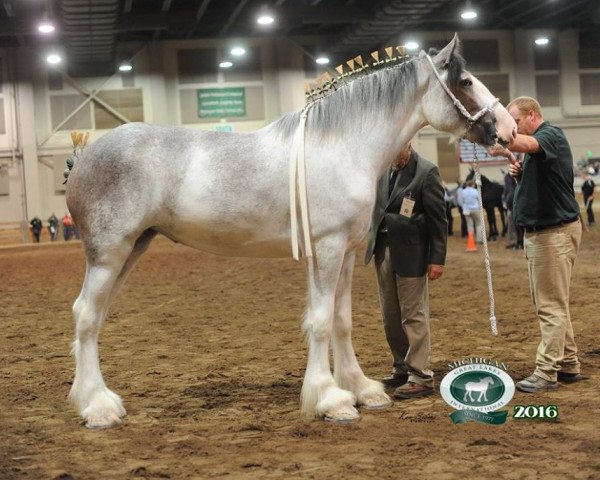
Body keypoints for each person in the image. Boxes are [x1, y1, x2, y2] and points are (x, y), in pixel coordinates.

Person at [489, 96, 583, 393]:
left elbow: (527, 145)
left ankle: (546, 371)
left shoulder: (549, 135)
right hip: (546, 233)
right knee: (554, 302)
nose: (513, 128)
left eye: (515, 122)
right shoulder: (539, 146)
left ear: (532, 115)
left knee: (550, 305)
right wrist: (519, 173)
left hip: (552, 234)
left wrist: (503, 142)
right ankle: (568, 364)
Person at [364, 143, 447, 399]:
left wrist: (437, 259)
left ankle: (420, 375)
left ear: (408, 145)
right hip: (383, 249)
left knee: (413, 315)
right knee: (391, 314)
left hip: (413, 253)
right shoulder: (383, 170)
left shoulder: (427, 172)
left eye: (395, 152)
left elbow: (438, 220)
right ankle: (401, 366)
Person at [502, 168, 524, 249]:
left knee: (513, 222)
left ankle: (516, 241)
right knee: (516, 222)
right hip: (516, 200)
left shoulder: (508, 177)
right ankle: (519, 241)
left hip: (512, 201)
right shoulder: (518, 174)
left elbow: (507, 190)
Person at [458, 179, 483, 244]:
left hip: (466, 210)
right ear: (473, 185)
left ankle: (471, 239)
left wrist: (464, 207)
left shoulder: (463, 191)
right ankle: (479, 239)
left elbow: (460, 201)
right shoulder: (475, 191)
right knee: (479, 224)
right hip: (475, 209)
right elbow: (479, 200)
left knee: (469, 225)